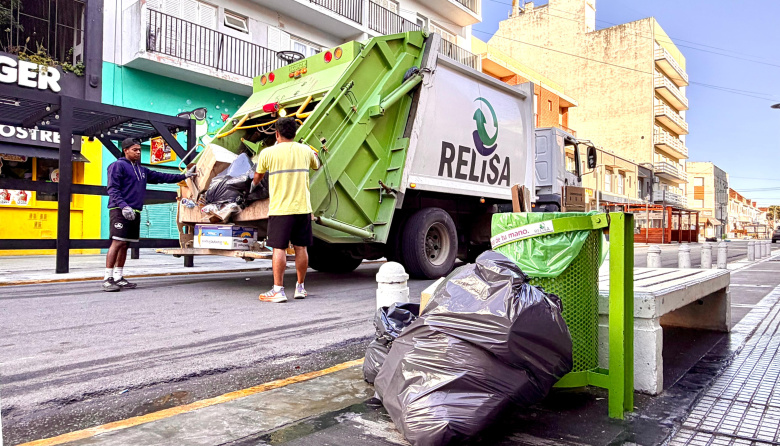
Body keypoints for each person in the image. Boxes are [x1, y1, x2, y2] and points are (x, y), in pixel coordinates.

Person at [103, 138, 196, 292]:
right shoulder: (117, 166)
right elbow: (112, 189)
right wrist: (124, 206)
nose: (138, 152)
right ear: (125, 150)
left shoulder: (142, 170)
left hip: (136, 211)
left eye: (139, 150)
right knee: (117, 242)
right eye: (135, 150)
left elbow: (163, 177)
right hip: (120, 210)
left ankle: (119, 277)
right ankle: (107, 278)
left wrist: (185, 175)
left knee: (125, 245)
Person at [250, 117, 320, 303]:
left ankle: (278, 290)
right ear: (295, 133)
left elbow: (257, 177)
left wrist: (253, 186)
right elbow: (317, 164)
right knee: (301, 247)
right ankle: (300, 288)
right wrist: (314, 152)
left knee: (279, 248)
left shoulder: (268, 153)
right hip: (302, 208)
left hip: (281, 209)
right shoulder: (305, 151)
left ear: (277, 134)